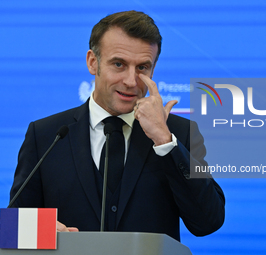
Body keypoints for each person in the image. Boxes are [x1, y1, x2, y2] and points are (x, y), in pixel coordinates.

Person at [10, 10, 225, 241]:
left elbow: (208, 221)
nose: (131, 81)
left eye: (143, 67)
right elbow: (12, 229)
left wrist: (165, 141)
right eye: (119, 64)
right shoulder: (46, 135)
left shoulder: (179, 133)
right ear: (93, 62)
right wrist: (42, 232)